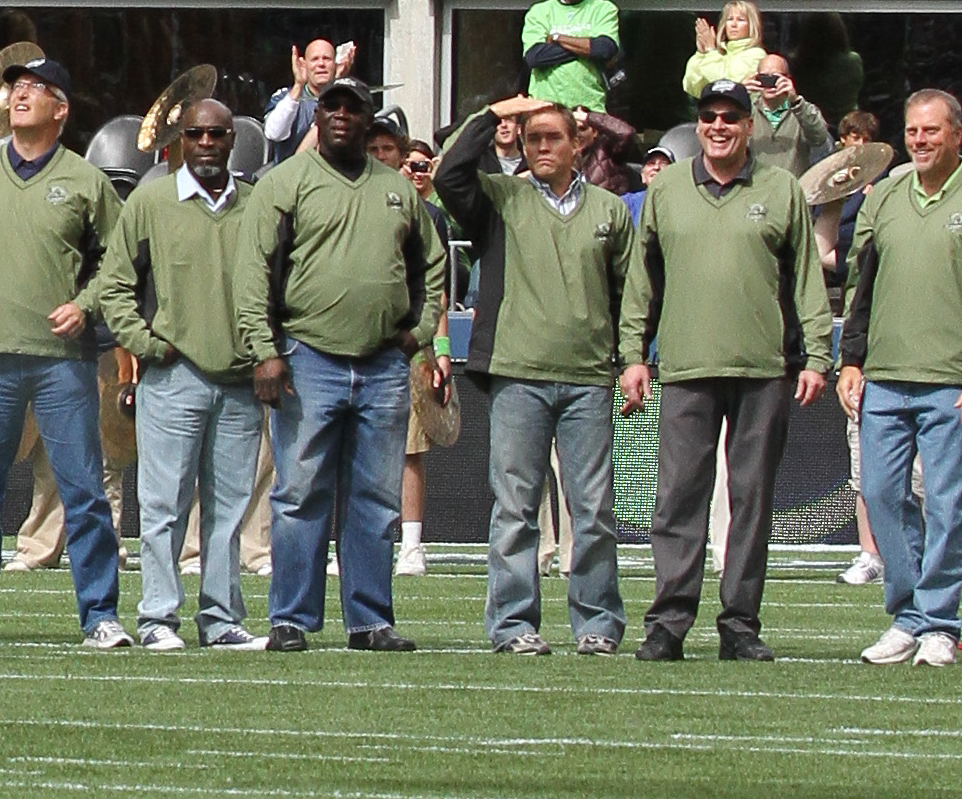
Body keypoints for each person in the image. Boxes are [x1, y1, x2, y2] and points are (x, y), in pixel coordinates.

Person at [620, 73, 831, 661]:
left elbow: (808, 281)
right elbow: (642, 282)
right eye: (709, 116)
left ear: (748, 126)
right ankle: (668, 622)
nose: (718, 127)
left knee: (751, 498)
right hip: (685, 365)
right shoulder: (666, 192)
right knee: (678, 498)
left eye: (730, 117)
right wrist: (632, 356)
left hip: (763, 368)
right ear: (699, 124)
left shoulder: (783, 188)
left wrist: (817, 355)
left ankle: (740, 623)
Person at [235, 74, 450, 650]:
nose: (340, 117)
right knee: (300, 492)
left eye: (352, 109)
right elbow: (253, 272)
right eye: (330, 107)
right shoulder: (285, 182)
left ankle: (370, 620)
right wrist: (265, 350)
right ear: (316, 116)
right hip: (307, 357)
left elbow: (434, 268)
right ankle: (291, 619)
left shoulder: (397, 189)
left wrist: (421, 332)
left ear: (368, 119)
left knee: (376, 496)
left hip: (382, 362)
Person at [0, 53, 131, 650]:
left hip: (61, 359)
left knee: (84, 492)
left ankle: (100, 614)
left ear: (60, 110)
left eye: (36, 89)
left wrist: (87, 305)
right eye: (16, 86)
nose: (19, 95)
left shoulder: (88, 181)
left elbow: (117, 265)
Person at [434, 95, 634, 655]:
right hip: (517, 374)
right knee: (516, 507)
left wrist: (631, 357)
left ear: (578, 144)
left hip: (589, 377)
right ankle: (513, 625)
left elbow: (631, 294)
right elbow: (450, 173)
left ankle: (597, 623)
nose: (541, 147)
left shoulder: (610, 210)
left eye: (552, 138)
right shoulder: (502, 198)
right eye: (531, 139)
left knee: (593, 509)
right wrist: (493, 114)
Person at [840, 86, 962, 669]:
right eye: (913, 131)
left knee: (946, 503)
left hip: (951, 381)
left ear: (957, 135)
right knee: (882, 494)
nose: (920, 141)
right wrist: (851, 359)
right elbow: (859, 284)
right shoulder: (885, 195)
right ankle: (909, 614)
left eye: (932, 131)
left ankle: (939, 622)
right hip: (884, 378)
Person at [107, 94, 267, 651]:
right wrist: (144, 345)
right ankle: (157, 618)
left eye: (217, 135)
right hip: (172, 377)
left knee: (228, 511)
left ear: (232, 141)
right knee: (163, 507)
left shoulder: (259, 204)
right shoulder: (151, 201)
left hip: (241, 381)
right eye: (196, 134)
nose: (206, 144)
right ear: (179, 141)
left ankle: (222, 620)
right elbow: (114, 286)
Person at [519, 0, 620, 113]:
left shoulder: (603, 9)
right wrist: (587, 47)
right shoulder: (539, 11)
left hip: (588, 108)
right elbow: (534, 57)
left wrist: (557, 38)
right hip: (544, 108)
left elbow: (605, 49)